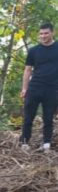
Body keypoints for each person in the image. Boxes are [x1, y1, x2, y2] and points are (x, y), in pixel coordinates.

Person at [20, 22, 58, 152]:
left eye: (46, 33)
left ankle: (46, 144)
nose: (43, 36)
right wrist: (24, 89)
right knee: (28, 117)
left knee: (48, 118)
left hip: (52, 89)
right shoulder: (33, 51)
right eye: (41, 33)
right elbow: (27, 70)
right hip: (34, 88)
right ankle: (24, 142)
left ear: (52, 33)